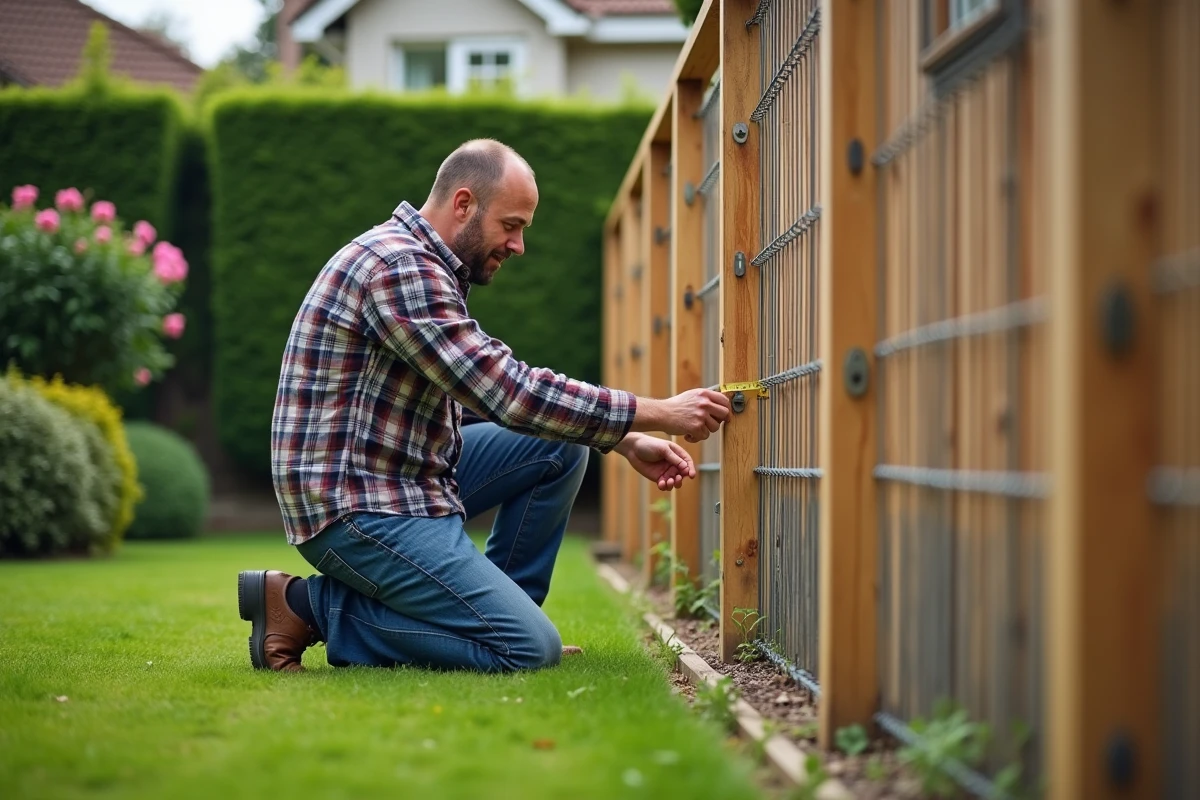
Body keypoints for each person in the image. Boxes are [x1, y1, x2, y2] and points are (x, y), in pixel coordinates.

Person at [238, 139, 732, 673]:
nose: (518, 245)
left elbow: (469, 399)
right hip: (355, 504)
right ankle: (306, 607)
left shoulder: (423, 263)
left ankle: (501, 615)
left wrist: (620, 437)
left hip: (398, 480)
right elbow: (508, 392)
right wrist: (657, 412)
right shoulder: (400, 268)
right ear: (465, 204)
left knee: (561, 448)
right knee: (528, 650)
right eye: (511, 225)